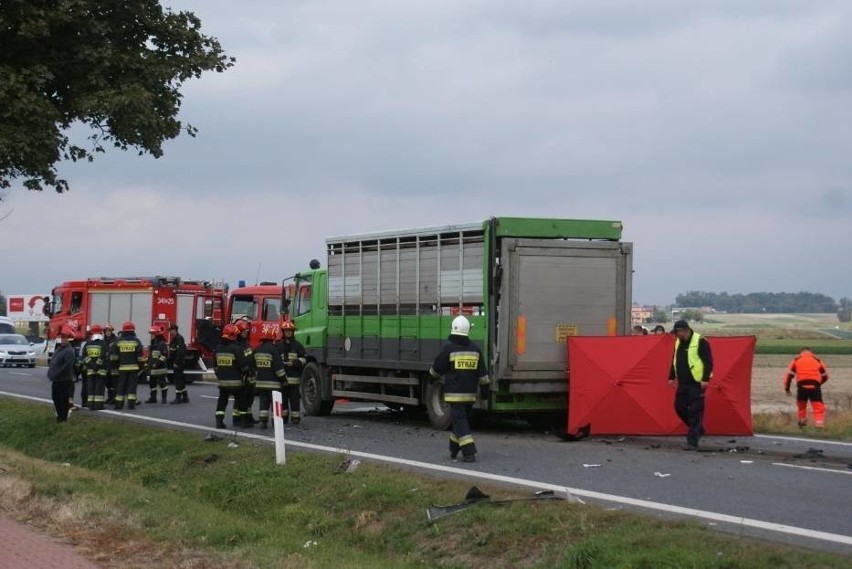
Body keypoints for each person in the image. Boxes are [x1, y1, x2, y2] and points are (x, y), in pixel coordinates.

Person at [429, 315, 490, 463]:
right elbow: (483, 375)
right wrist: (485, 394)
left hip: (454, 395)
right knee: (460, 421)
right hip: (470, 395)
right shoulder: (476, 350)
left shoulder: (448, 349)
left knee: (460, 421)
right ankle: (453, 449)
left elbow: (437, 368)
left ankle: (469, 452)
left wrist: (431, 378)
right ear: (468, 330)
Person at [668, 319, 713, 450]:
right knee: (679, 407)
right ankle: (698, 429)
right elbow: (674, 360)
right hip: (683, 383)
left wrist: (705, 379)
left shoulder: (700, 341)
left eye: (678, 333)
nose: (676, 336)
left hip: (697, 383)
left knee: (695, 412)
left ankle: (692, 442)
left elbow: (708, 362)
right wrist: (671, 376)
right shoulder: (678, 342)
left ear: (685, 330)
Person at [214, 323, 252, 428]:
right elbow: (243, 365)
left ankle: (219, 422)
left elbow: (215, 366)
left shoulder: (218, 348)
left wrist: (220, 376)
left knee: (222, 401)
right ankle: (244, 422)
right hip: (236, 382)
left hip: (222, 382)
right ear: (234, 335)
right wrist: (247, 373)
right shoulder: (236, 348)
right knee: (241, 401)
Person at [783, 347, 830, 428]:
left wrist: (787, 389)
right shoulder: (817, 360)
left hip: (802, 386)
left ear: (801, 352)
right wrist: (818, 384)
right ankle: (819, 424)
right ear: (811, 352)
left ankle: (802, 423)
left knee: (801, 406)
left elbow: (788, 376)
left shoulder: (796, 360)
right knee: (818, 406)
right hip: (815, 387)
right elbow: (825, 376)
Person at [253, 327, 286, 428]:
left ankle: (263, 422)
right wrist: (284, 379)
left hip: (260, 383)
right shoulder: (274, 349)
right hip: (274, 384)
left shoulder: (257, 349)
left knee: (263, 403)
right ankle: (275, 422)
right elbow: (278, 368)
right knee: (275, 404)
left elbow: (253, 366)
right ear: (272, 339)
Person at [109, 321, 145, 410]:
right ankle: (131, 405)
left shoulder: (118, 341)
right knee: (131, 387)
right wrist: (141, 367)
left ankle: (119, 405)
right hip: (134, 368)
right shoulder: (136, 341)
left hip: (122, 369)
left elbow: (114, 357)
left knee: (121, 386)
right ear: (133, 330)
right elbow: (140, 357)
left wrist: (116, 366)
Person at [278, 320, 306, 424]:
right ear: (283, 332)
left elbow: (304, 359)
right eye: (286, 331)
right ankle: (284, 419)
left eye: (290, 331)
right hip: (282, 379)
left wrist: (294, 363)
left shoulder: (298, 345)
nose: (288, 333)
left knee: (295, 401)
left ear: (293, 332)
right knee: (283, 401)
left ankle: (295, 418)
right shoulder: (279, 345)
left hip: (294, 380)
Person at [47, 328, 76, 422]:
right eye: (60, 338)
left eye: (64, 338)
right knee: (56, 399)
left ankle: (63, 417)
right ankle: (59, 416)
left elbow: (67, 366)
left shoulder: (69, 351)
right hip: (56, 380)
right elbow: (53, 363)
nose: (62, 340)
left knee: (63, 400)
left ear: (67, 339)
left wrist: (56, 374)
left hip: (64, 380)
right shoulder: (58, 349)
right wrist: (50, 373)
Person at [82, 324, 107, 410]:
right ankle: (98, 406)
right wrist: (96, 366)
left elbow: (84, 357)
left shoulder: (87, 344)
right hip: (100, 371)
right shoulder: (102, 344)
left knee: (91, 389)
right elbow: (103, 357)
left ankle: (91, 405)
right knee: (99, 389)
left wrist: (91, 365)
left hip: (90, 371)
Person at [145, 325, 169, 404]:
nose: (151, 336)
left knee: (162, 384)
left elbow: (164, 356)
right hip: (153, 368)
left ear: (156, 335)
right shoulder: (153, 344)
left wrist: (157, 364)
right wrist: (147, 364)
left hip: (160, 369)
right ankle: (153, 398)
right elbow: (151, 356)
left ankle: (164, 399)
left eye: (152, 334)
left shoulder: (162, 344)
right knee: (152, 384)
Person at [168, 323, 189, 404]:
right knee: (180, 380)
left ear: (174, 330)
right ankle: (185, 397)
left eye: (171, 330)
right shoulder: (174, 339)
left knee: (178, 380)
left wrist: (176, 362)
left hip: (179, 363)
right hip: (176, 362)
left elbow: (181, 352)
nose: (170, 332)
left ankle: (178, 398)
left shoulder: (179, 338)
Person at [103, 324, 118, 404]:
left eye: (109, 331)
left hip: (114, 365)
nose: (108, 332)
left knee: (114, 383)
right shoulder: (103, 340)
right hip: (106, 365)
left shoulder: (116, 340)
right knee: (108, 383)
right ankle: (110, 398)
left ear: (112, 331)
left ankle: (114, 398)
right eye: (106, 331)